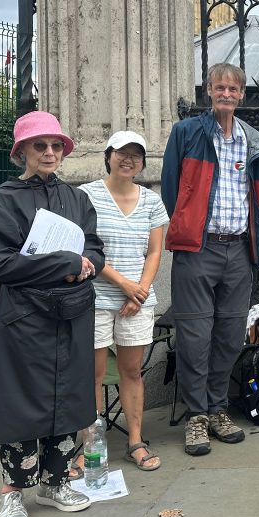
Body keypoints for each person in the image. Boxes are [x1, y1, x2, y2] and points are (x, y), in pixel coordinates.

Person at [0, 111, 105, 517]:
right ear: (22, 152)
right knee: (21, 401)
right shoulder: (3, 201)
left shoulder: (78, 199)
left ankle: (56, 481)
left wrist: (88, 266)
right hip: (24, 317)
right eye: (39, 146)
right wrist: (67, 263)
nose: (49, 153)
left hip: (71, 314)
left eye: (55, 146)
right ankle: (12, 493)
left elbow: (96, 250)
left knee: (69, 397)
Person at [162, 63, 259, 456]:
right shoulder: (187, 133)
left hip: (239, 249)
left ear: (242, 95)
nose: (226, 94)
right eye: (219, 87)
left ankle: (217, 408)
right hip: (198, 248)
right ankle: (196, 415)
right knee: (194, 336)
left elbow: (255, 198)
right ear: (208, 90)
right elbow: (171, 190)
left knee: (228, 335)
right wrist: (189, 227)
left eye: (233, 89)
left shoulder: (254, 141)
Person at [80, 131, 169, 472]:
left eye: (136, 154)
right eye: (122, 152)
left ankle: (135, 441)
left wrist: (141, 291)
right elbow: (86, 249)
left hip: (137, 302)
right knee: (94, 374)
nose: (129, 159)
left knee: (132, 372)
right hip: (97, 297)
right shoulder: (86, 195)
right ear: (108, 155)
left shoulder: (150, 201)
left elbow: (155, 250)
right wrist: (124, 285)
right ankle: (90, 446)